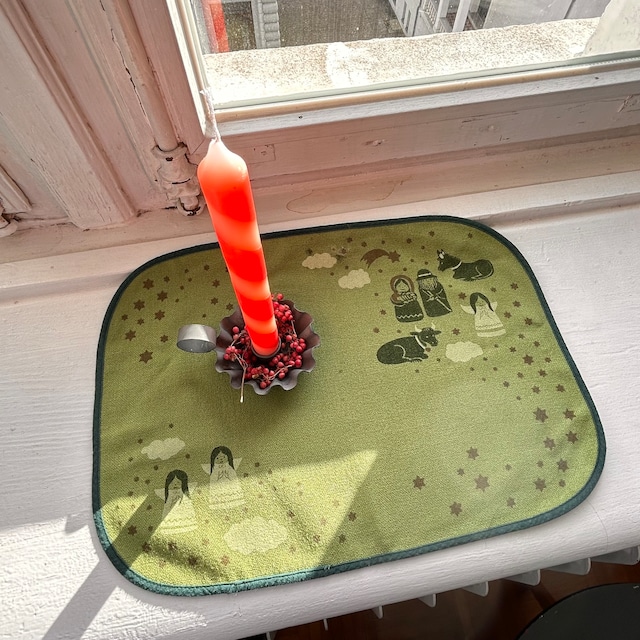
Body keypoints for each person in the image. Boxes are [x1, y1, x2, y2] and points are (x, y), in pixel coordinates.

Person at [155, 469, 197, 534]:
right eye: (172, 483)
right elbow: (167, 505)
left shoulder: (183, 493)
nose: (175, 485)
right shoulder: (169, 494)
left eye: (178, 482)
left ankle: (187, 524)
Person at [206, 446, 245, 510]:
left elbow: (234, 478)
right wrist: (218, 477)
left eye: (223, 457)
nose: (221, 459)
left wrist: (228, 477)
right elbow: (213, 481)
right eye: (217, 458)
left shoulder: (230, 468)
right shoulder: (214, 470)